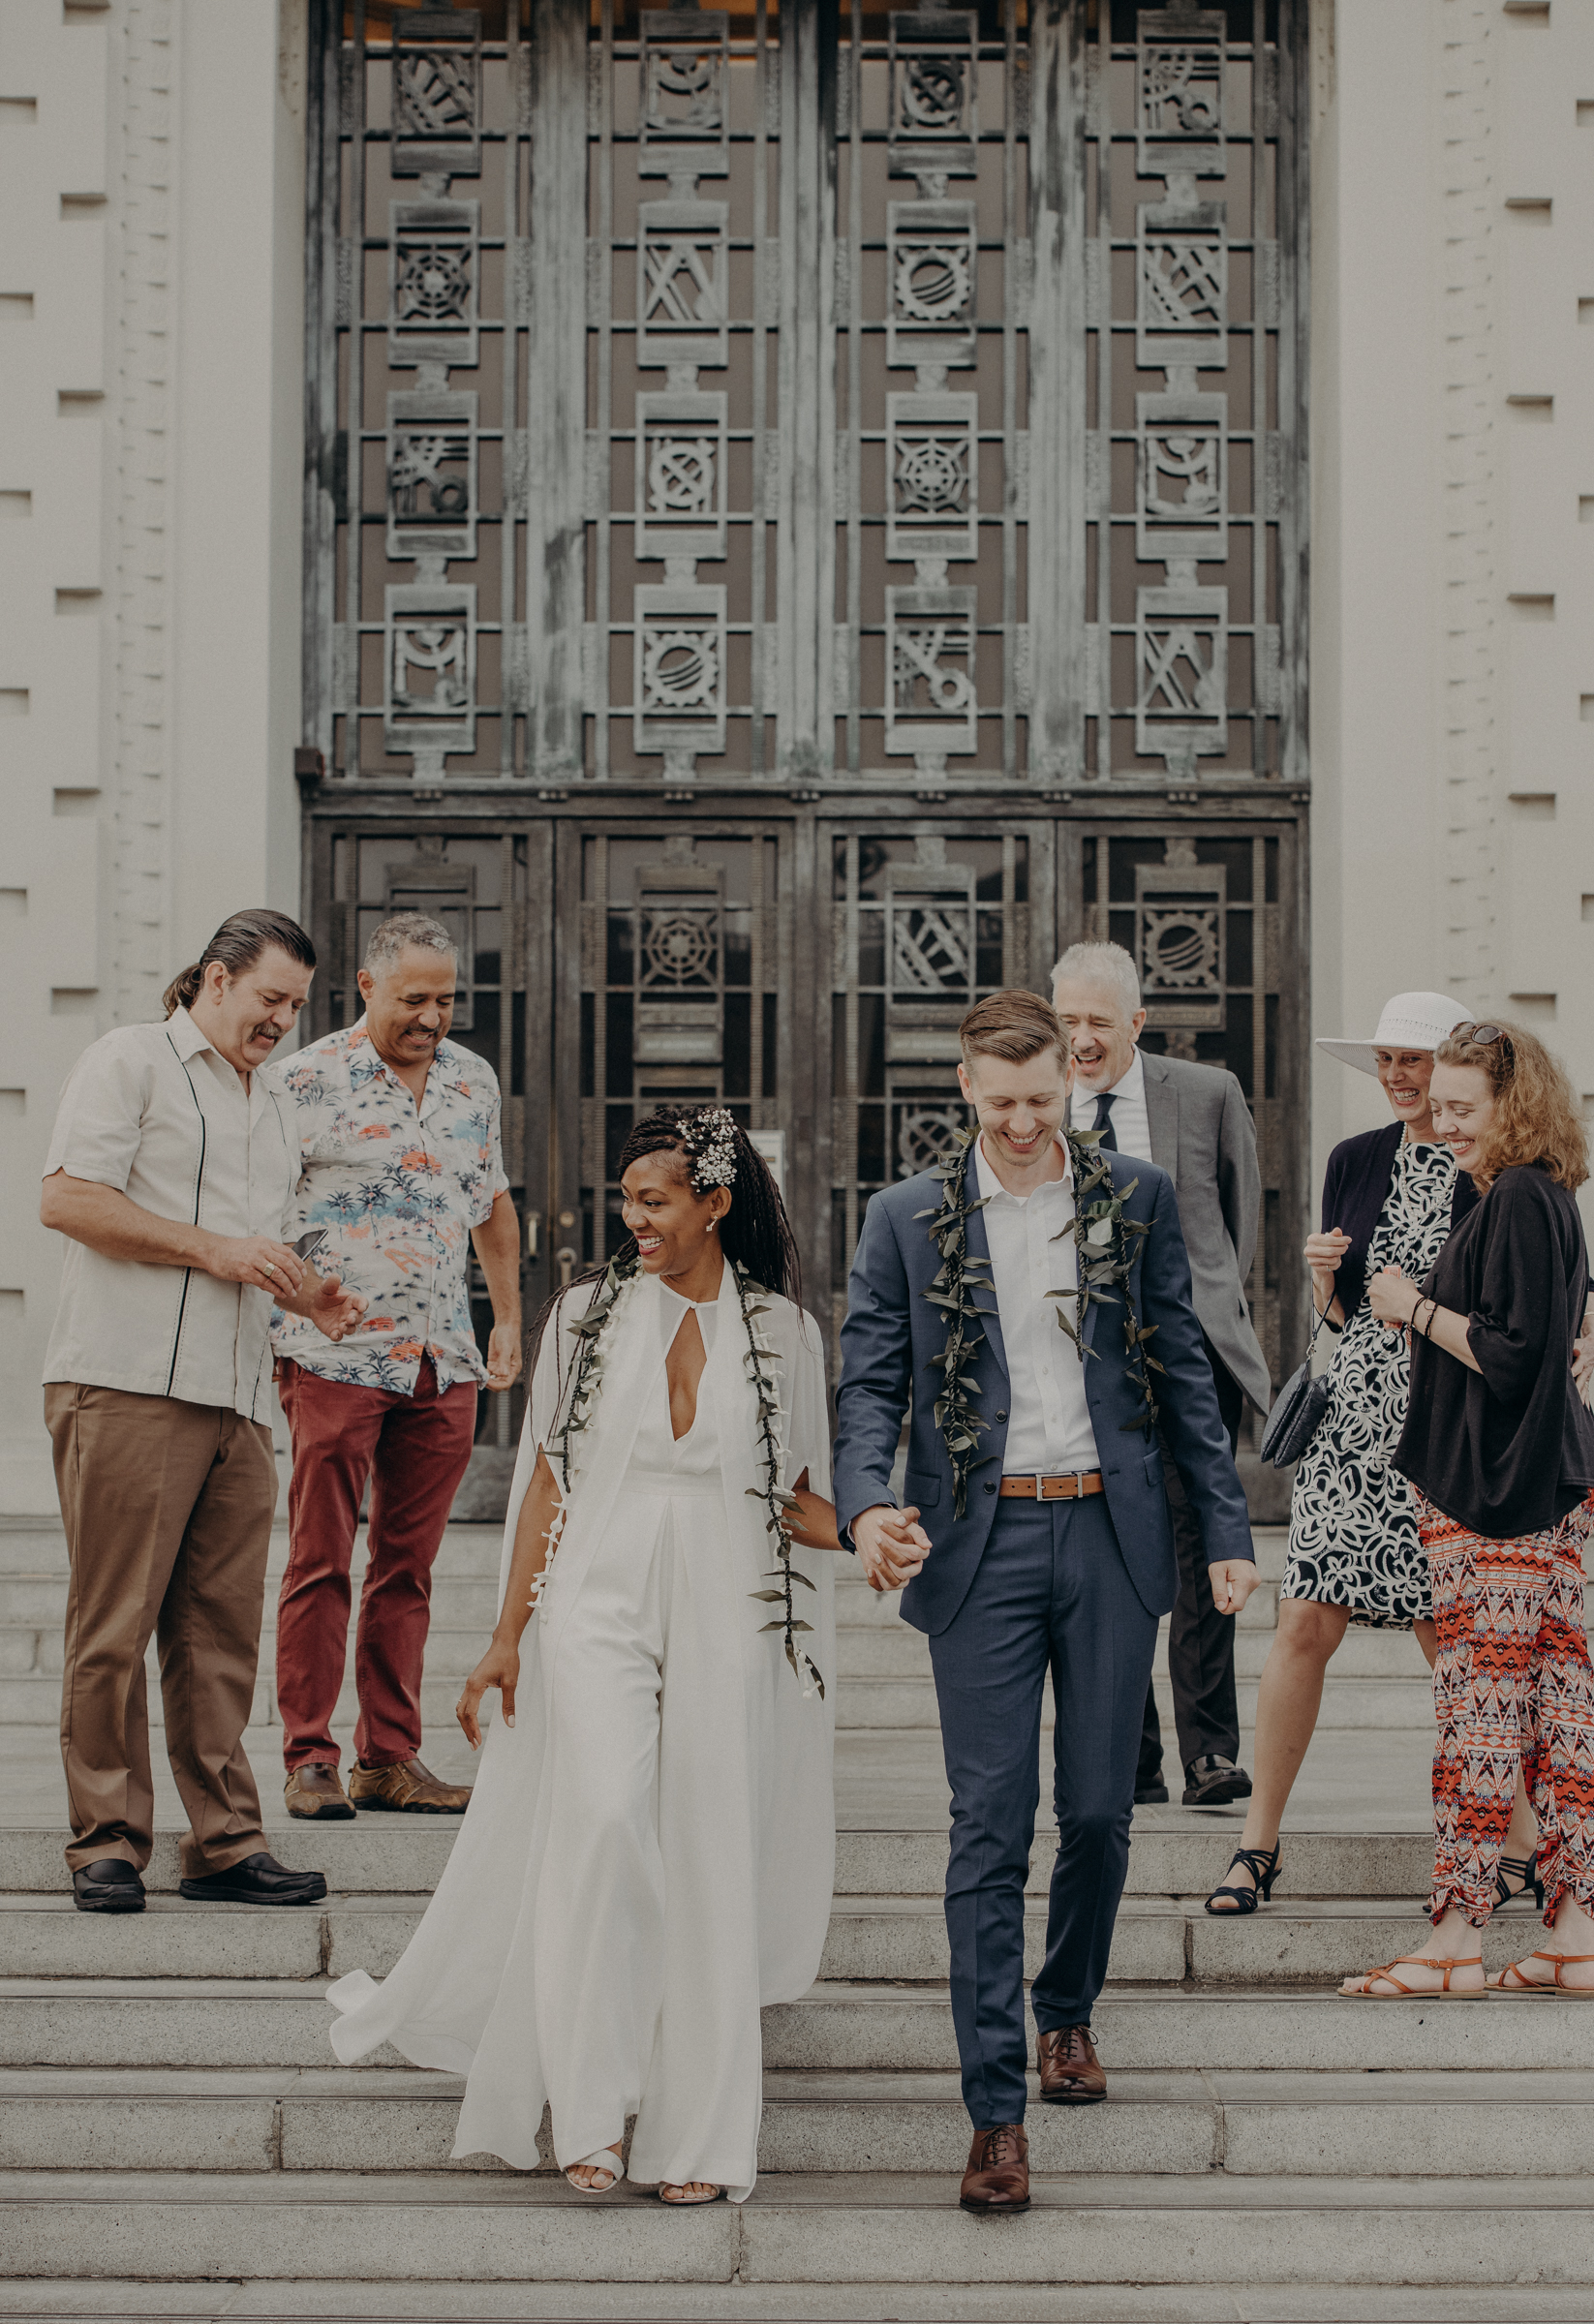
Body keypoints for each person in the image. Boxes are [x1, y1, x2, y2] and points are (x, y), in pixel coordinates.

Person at [322, 1107, 839, 2204]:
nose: (631, 1218)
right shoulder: (584, 1319)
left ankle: (697, 2138)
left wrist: (882, 1530)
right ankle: (591, 2112)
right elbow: (548, 1479)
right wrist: (506, 1635)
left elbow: (796, 1499)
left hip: (727, 1601)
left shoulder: (784, 1334)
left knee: (704, 1850)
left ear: (714, 1202)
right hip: (594, 1592)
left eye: (653, 1200)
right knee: (603, 1821)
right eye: (624, 1199)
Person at [833, 991, 1258, 2217]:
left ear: (1069, 1089)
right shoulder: (905, 1218)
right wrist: (865, 1506)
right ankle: (995, 2111)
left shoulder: (1131, 1196)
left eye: (1043, 1103)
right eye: (1001, 1101)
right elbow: (868, 1380)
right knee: (987, 1824)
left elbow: (1180, 1370)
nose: (1023, 1124)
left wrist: (1222, 1533)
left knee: (1098, 1814)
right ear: (963, 1087)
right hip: (978, 1543)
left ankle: (1065, 2009)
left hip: (1111, 1533)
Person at [39, 909, 366, 1915]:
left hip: (236, 1395)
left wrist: (303, 1291)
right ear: (214, 980)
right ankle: (106, 1840)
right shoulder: (128, 1059)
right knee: (115, 1627)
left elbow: (249, 1247)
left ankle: (225, 1842)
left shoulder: (271, 1100)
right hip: (127, 1381)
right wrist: (215, 1250)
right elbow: (67, 1200)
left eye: (297, 1007)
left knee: (219, 1635)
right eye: (270, 999)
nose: (282, 1021)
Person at [1205, 991, 1478, 1916]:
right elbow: (1339, 1322)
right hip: (1351, 1423)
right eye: (1388, 1062)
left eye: (1418, 1060)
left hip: (1445, 1425)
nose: (1401, 1077)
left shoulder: (1495, 1166)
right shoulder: (1354, 1159)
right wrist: (1326, 1281)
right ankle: (1256, 1846)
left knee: (1453, 1640)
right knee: (1303, 1625)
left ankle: (1523, 1837)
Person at [1339, 1019, 1594, 1998]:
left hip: (1498, 1494)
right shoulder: (1523, 1197)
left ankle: (1451, 1938)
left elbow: (1511, 1351)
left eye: (1458, 1108)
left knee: (1479, 1713)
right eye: (1432, 1107)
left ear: (1512, 1104)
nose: (1438, 1125)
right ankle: (1572, 1927)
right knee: (1551, 1709)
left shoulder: (1520, 1197)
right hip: (1531, 1486)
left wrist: (1407, 1307)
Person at [267, 914, 522, 1819]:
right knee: (319, 1558)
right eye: (414, 998)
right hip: (334, 1356)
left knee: (406, 1568)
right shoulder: (302, 1079)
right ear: (368, 987)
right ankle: (309, 1756)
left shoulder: (471, 1079)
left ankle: (388, 1755)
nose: (433, 1016)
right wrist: (294, 1301)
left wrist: (506, 1322)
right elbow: (255, 1212)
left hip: (441, 1356)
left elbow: (491, 1205)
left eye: (447, 998)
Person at [1053, 940, 1270, 1809]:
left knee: (1199, 1546)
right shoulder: (1037, 1104)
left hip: (1186, 1354)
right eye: (1066, 1020)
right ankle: (1133, 1755)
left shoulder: (1208, 1093)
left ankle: (1210, 1753)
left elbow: (1237, 1217)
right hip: (1079, 1361)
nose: (1080, 1040)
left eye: (1097, 1023)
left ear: (1136, 1023)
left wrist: (1205, 1315)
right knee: (1107, 1553)